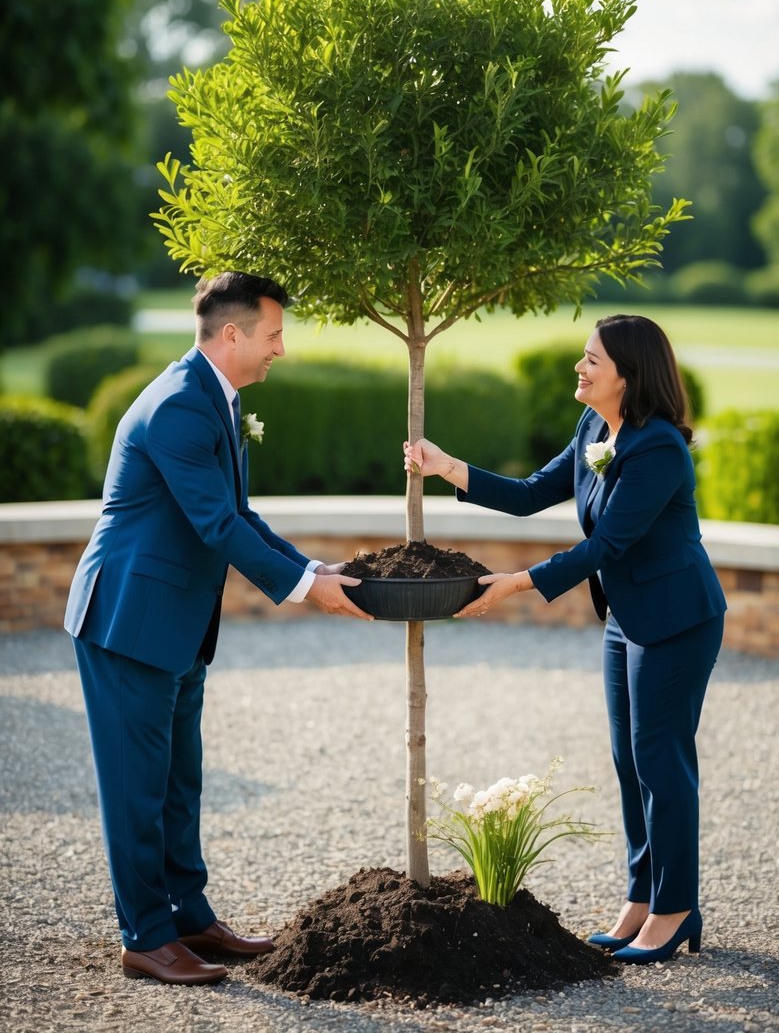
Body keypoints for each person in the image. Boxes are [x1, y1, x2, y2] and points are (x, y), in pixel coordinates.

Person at [65, 271, 372, 986]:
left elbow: (241, 514)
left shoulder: (214, 397)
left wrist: (310, 565)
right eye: (273, 335)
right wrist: (304, 590)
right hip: (129, 622)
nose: (282, 350)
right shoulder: (178, 404)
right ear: (231, 334)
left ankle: (187, 915)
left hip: (175, 624)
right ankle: (145, 935)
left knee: (179, 781)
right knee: (139, 788)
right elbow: (216, 523)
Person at [404, 314, 726, 965]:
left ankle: (674, 907)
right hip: (624, 618)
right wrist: (447, 468)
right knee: (627, 761)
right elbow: (527, 496)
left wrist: (515, 582)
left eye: (591, 361)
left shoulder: (657, 446)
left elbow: (606, 544)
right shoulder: (591, 429)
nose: (578, 369)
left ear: (628, 378)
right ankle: (641, 898)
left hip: (676, 618)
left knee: (660, 762)